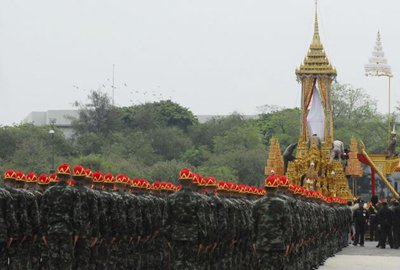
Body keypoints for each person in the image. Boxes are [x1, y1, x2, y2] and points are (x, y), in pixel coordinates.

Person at [40, 163, 82, 270]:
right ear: (69, 177)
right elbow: (77, 214)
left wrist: (44, 232)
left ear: (57, 176)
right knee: (66, 261)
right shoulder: (74, 192)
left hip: (52, 230)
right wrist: (77, 232)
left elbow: (43, 214)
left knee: (53, 261)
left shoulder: (48, 192)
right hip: (67, 230)